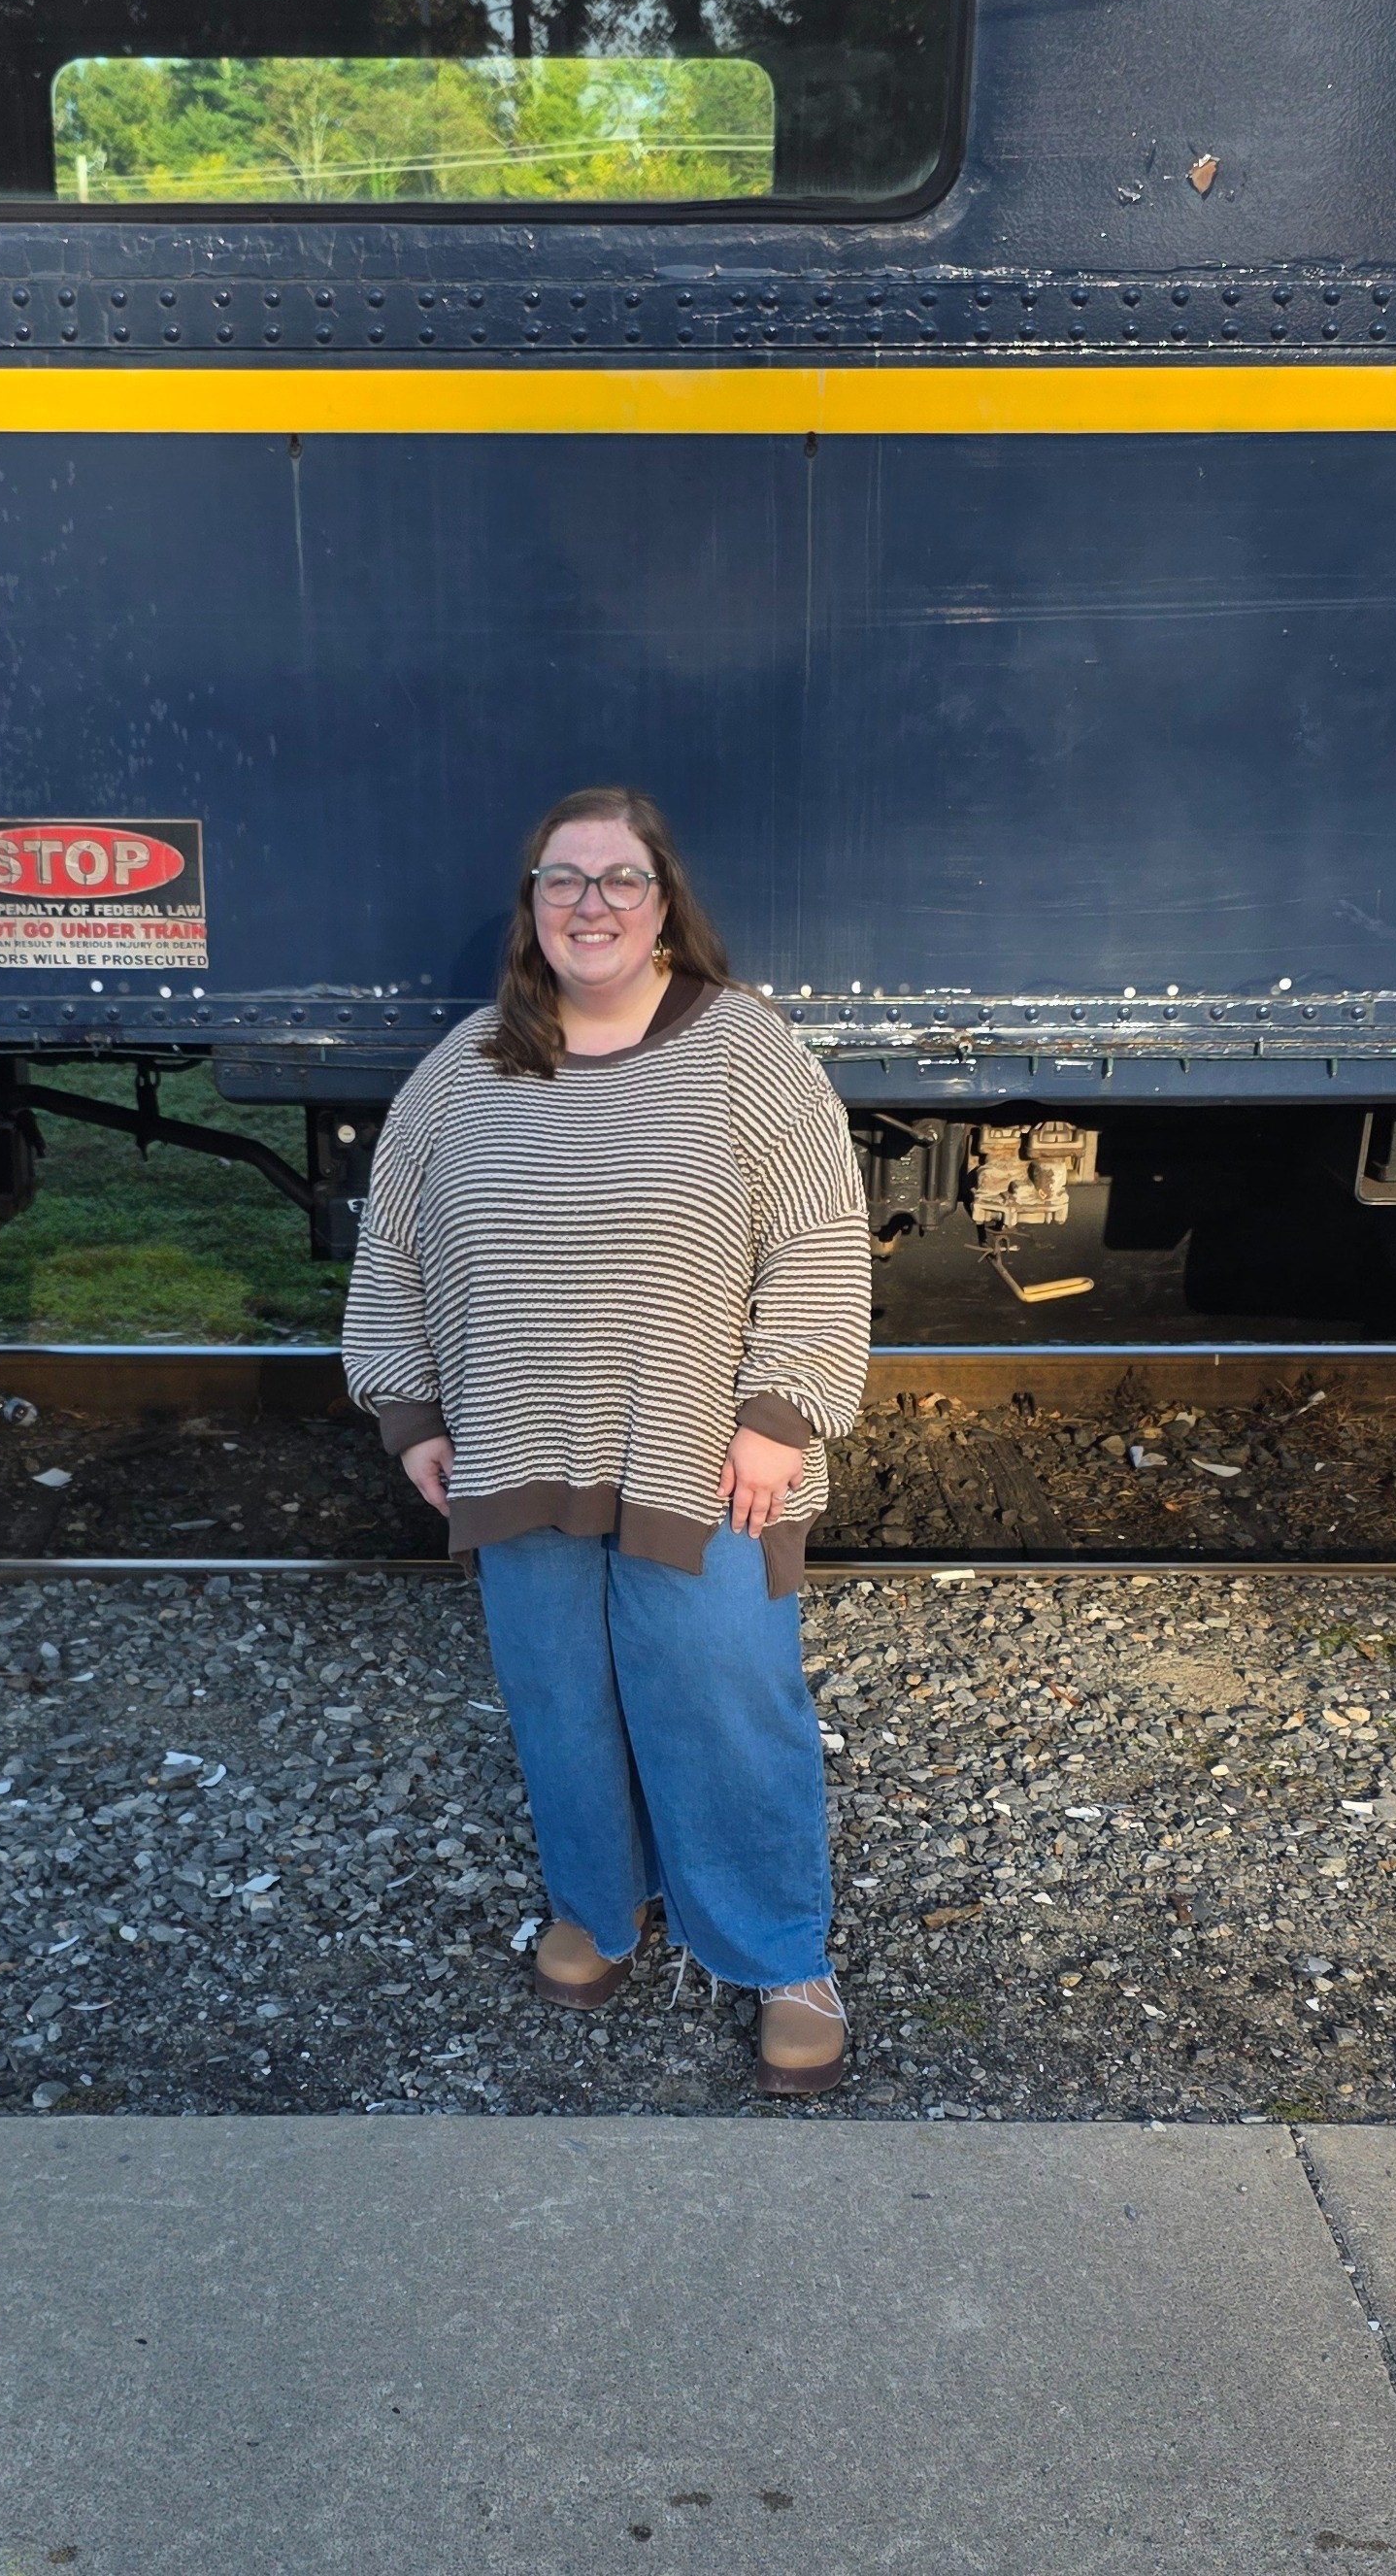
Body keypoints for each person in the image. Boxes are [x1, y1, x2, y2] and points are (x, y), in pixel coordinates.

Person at [341, 787, 870, 2094]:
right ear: (530, 908)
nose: (590, 905)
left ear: (662, 901)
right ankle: (598, 1906)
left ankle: (777, 1952)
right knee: (562, 1706)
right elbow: (390, 1250)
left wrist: (779, 1414)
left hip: (706, 1457)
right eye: (561, 881)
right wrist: (407, 1409)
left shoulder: (745, 1051)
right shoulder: (464, 1067)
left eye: (617, 880)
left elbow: (817, 1241)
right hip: (515, 1448)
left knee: (726, 1701)